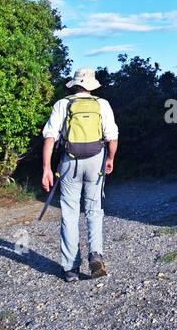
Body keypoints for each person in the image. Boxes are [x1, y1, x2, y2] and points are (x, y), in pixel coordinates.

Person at [41, 69, 119, 282]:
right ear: (92, 86)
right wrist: (110, 159)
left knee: (70, 213)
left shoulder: (62, 104)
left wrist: (47, 168)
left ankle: (70, 268)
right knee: (94, 210)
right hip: (96, 160)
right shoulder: (102, 104)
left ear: (73, 85)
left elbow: (49, 138)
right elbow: (112, 136)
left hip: (69, 161)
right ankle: (95, 255)